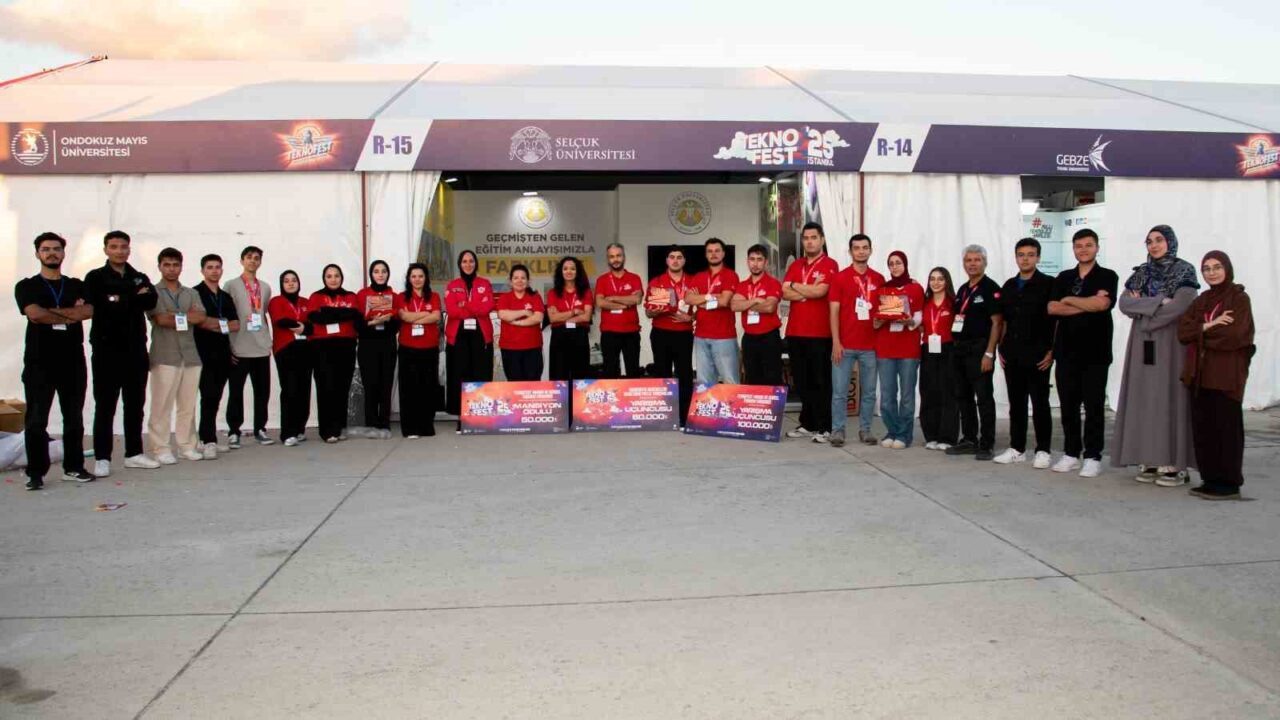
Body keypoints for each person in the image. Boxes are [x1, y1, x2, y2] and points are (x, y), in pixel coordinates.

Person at [1112, 225, 1200, 486]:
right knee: (1144, 398)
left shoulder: (1184, 271)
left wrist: (1145, 315)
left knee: (1169, 398)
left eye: (1159, 240)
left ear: (1170, 242)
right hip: (1141, 345)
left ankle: (1173, 463)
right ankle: (1149, 457)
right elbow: (1124, 303)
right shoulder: (1141, 273)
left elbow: (1182, 305)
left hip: (1171, 344)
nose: (1154, 245)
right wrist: (1159, 301)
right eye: (1149, 241)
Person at [14, 232, 95, 490]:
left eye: (56, 249)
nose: (52, 253)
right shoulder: (27, 286)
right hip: (39, 362)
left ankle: (73, 467)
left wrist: (56, 313)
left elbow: (89, 311)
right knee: (37, 420)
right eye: (46, 249)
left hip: (72, 361)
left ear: (63, 253)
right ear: (37, 253)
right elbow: (34, 314)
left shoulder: (76, 285)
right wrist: (70, 314)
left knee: (74, 418)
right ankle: (35, 473)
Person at [1178, 251, 1254, 500]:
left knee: (1226, 430)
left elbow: (1233, 336)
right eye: (1207, 268)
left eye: (1217, 267)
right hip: (1199, 376)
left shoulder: (1239, 299)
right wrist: (1210, 325)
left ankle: (1229, 484)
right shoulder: (1202, 300)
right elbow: (1183, 331)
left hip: (1225, 376)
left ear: (1227, 268)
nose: (1212, 272)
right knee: (1204, 429)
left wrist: (1200, 334)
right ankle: (1210, 480)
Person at [83, 229, 158, 476]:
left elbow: (150, 300)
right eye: (113, 246)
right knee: (105, 404)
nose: (119, 251)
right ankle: (103, 457)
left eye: (123, 246)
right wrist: (128, 299)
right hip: (106, 350)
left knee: (135, 403)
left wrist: (118, 299)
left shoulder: (139, 276)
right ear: (106, 249)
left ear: (129, 249)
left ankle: (134, 453)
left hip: (135, 349)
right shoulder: (95, 277)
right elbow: (100, 304)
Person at [1047, 229, 1119, 478]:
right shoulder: (1064, 277)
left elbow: (1102, 305)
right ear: (1074, 249)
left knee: (1094, 405)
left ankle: (1093, 455)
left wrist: (1070, 300)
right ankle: (1070, 453)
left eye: (1088, 245)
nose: (1084, 249)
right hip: (1066, 352)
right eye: (1079, 245)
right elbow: (1053, 308)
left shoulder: (1107, 276)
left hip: (1096, 353)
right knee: (1068, 405)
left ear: (1097, 248)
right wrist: (1085, 303)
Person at [993, 238, 1056, 468]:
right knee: (1016, 403)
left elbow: (1055, 321)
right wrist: (1001, 347)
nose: (1026, 258)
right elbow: (1003, 321)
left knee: (1040, 403)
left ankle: (1043, 450)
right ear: (1016, 257)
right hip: (1012, 354)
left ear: (1038, 257)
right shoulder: (1009, 286)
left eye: (1030, 254)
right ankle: (1017, 448)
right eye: (1021, 254)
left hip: (1039, 355)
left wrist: (1052, 351)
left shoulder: (1049, 284)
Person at [146, 248, 206, 465]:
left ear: (181, 266)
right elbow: (160, 319)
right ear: (160, 266)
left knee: (188, 405)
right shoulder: (153, 292)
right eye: (167, 264)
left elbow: (200, 316)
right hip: (165, 355)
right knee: (161, 405)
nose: (172, 269)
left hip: (190, 355)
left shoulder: (191, 293)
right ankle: (160, 447)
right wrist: (185, 316)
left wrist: (176, 316)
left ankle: (187, 445)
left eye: (176, 264)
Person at [946, 245, 1004, 461]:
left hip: (980, 349)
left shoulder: (991, 288)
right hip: (960, 349)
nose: (972, 263)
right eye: (968, 260)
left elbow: (997, 323)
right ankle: (969, 438)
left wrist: (989, 353)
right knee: (963, 397)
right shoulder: (962, 290)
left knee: (984, 398)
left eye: (977, 260)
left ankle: (986, 443)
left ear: (985, 262)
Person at [825, 233, 883, 447]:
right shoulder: (840, 278)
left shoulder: (878, 279)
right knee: (839, 392)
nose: (861, 251)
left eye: (864, 247)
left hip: (871, 346)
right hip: (845, 345)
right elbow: (833, 312)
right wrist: (836, 342)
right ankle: (838, 430)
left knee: (868, 393)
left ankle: (865, 430)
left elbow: (884, 311)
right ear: (850, 252)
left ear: (870, 250)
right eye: (856, 248)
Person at [783, 222, 839, 441]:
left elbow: (821, 291)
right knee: (802, 382)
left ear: (822, 240)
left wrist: (796, 287)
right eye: (806, 238)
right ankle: (807, 423)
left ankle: (825, 426)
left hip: (820, 334)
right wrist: (805, 290)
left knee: (821, 382)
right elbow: (784, 291)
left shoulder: (830, 264)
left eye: (813, 237)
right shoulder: (796, 264)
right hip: (795, 331)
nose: (809, 241)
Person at [223, 246, 274, 447]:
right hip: (239, 346)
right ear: (242, 260)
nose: (253, 261)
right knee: (236, 391)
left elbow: (263, 316)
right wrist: (228, 347)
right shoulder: (231, 285)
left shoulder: (265, 287)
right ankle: (234, 430)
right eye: (249, 258)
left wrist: (268, 342)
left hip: (261, 346)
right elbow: (226, 316)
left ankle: (260, 428)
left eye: (256, 258)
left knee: (262, 391)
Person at [872, 251, 924, 449]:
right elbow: (876, 318)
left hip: (908, 348)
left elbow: (920, 315)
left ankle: (904, 435)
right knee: (886, 397)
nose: (895, 267)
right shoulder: (882, 290)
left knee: (907, 396)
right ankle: (892, 430)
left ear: (905, 264)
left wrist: (911, 321)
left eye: (898, 263)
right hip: (885, 348)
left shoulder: (916, 288)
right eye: (891, 263)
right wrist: (877, 322)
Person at [307, 264, 361, 443]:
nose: (333, 279)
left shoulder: (350, 296)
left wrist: (329, 312)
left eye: (336, 275)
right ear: (324, 278)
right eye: (329, 276)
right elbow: (316, 318)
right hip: (322, 347)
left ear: (341, 277)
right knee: (325, 387)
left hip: (346, 346)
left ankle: (339, 427)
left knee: (342, 387)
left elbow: (354, 314)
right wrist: (342, 313)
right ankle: (327, 431)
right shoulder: (316, 296)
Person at [193, 254, 239, 460]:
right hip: (201, 353)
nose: (214, 271)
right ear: (202, 270)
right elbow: (199, 321)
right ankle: (207, 440)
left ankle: (208, 437)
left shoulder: (225, 296)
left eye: (217, 267)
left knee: (216, 397)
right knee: (208, 396)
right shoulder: (195, 293)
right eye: (210, 267)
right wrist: (221, 324)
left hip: (222, 353)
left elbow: (236, 324)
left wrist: (214, 324)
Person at [444, 250, 496, 431]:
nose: (468, 264)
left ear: (476, 264)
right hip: (458, 337)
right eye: (464, 261)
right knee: (460, 376)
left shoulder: (485, 283)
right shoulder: (452, 285)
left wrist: (464, 305)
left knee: (480, 375)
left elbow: (487, 307)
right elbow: (452, 311)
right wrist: (474, 306)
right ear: (460, 264)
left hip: (480, 336)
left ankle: (480, 417)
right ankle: (462, 417)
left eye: (471, 261)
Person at [646, 246, 695, 424]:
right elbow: (648, 313)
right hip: (661, 333)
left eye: (679, 257)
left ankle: (684, 416)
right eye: (672, 257)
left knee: (685, 374)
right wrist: (656, 310)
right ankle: (664, 416)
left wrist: (691, 317)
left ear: (684, 261)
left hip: (684, 334)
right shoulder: (656, 282)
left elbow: (702, 307)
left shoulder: (693, 281)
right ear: (667, 260)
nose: (675, 260)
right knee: (662, 373)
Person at [396, 263, 442, 438]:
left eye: (420, 276)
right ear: (409, 279)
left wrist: (413, 317)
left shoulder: (434, 296)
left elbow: (436, 317)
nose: (417, 279)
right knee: (409, 389)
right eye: (413, 276)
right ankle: (410, 427)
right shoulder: (401, 297)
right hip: (408, 348)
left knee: (428, 387)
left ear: (426, 278)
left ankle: (426, 425)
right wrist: (424, 315)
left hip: (429, 348)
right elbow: (403, 316)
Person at [686, 237, 740, 385]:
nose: (713, 254)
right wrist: (711, 296)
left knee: (730, 380)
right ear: (705, 255)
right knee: (704, 383)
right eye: (710, 251)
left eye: (717, 251)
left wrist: (701, 300)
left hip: (724, 337)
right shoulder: (699, 276)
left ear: (723, 254)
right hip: (701, 336)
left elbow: (724, 301)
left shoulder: (730, 275)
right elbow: (689, 299)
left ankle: (732, 409)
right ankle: (708, 409)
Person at [268, 270, 311, 447]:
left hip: (305, 349)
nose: (291, 284)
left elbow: (314, 324)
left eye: (294, 280)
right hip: (285, 349)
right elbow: (281, 321)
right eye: (287, 281)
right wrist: (301, 327)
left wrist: (304, 328)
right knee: (290, 389)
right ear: (282, 284)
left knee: (304, 389)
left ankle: (300, 428)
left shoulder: (306, 302)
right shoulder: (276, 301)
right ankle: (288, 432)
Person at [356, 260, 399, 439]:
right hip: (367, 344)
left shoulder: (394, 295)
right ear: (371, 274)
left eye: (383, 271)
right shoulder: (362, 294)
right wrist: (373, 323)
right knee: (370, 384)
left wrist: (386, 322)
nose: (380, 274)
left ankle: (384, 423)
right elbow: (357, 323)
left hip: (387, 343)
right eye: (376, 271)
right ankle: (371, 423)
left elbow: (397, 323)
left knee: (386, 384)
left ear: (388, 274)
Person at [919, 267, 959, 451]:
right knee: (929, 392)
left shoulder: (954, 303)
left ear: (947, 281)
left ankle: (948, 437)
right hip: (928, 349)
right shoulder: (924, 303)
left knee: (948, 393)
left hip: (948, 350)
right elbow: (918, 325)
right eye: (932, 279)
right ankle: (931, 435)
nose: (936, 282)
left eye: (940, 279)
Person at [731, 244, 784, 386]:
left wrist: (746, 303)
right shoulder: (742, 285)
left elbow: (769, 307)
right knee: (752, 379)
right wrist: (755, 300)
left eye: (759, 259)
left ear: (766, 262)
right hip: (749, 338)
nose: (755, 264)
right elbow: (734, 306)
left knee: (772, 379)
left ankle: (773, 409)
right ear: (747, 261)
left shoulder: (773, 283)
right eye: (752, 259)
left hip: (769, 337)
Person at [594, 243, 643, 378]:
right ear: (608, 259)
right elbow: (600, 302)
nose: (615, 259)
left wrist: (613, 298)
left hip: (631, 332)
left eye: (618, 256)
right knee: (610, 372)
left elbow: (636, 299)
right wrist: (624, 304)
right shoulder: (602, 280)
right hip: (609, 332)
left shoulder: (634, 278)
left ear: (624, 257)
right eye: (612, 256)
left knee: (633, 371)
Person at [546, 256, 594, 385]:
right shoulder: (553, 293)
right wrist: (574, 311)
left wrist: (563, 316)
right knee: (559, 376)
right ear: (560, 272)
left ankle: (577, 404)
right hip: (559, 336)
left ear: (578, 271)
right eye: (565, 269)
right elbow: (553, 318)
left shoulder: (586, 292)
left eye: (572, 269)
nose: (569, 271)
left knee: (580, 376)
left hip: (580, 336)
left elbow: (586, 317)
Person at [496, 264, 545, 381]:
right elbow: (503, 314)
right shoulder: (504, 298)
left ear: (528, 281)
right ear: (510, 281)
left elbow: (538, 317)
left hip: (532, 348)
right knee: (514, 385)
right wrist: (524, 311)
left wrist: (516, 322)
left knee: (532, 385)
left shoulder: (535, 297)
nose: (519, 281)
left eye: (523, 278)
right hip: (510, 349)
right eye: (516, 278)